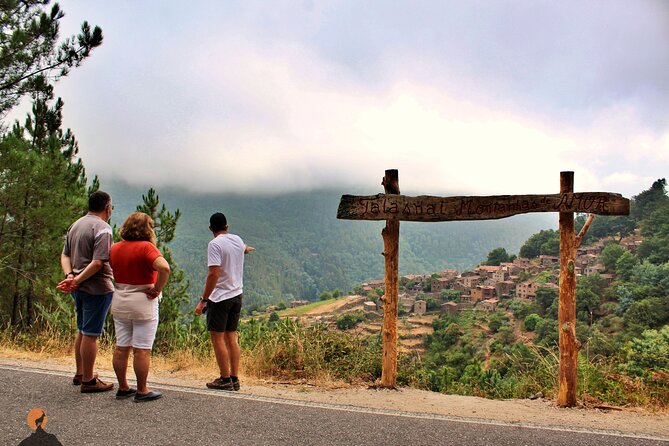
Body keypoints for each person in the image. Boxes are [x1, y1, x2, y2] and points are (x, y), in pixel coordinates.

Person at [57, 190, 115, 393]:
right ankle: (89, 380)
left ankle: (80, 372)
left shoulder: (76, 225)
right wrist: (78, 279)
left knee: (82, 330)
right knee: (91, 334)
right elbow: (99, 262)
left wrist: (70, 276)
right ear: (108, 208)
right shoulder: (103, 229)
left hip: (78, 287)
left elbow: (65, 255)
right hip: (97, 288)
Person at [109, 212, 170, 402]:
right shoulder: (146, 248)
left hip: (120, 300)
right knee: (142, 349)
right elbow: (164, 268)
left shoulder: (115, 248)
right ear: (148, 229)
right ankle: (142, 390)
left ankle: (123, 387)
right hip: (143, 302)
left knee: (121, 347)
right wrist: (157, 289)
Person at [195, 212, 254, 391]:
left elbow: (214, 273)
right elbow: (244, 248)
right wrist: (247, 249)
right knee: (231, 337)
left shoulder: (214, 244)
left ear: (210, 228)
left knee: (217, 338)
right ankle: (235, 379)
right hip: (237, 295)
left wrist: (203, 300)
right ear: (227, 227)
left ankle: (224, 378)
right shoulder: (236, 239)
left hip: (220, 297)